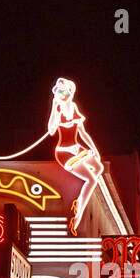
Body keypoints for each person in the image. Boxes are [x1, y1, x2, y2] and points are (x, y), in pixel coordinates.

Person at [46, 77, 106, 234]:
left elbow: (83, 133)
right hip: (64, 152)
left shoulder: (73, 107)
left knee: (98, 167)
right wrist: (54, 106)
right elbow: (51, 130)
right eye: (57, 91)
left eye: (62, 90)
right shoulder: (58, 111)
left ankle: (80, 200)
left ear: (70, 92)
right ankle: (77, 214)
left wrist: (95, 150)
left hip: (76, 148)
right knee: (91, 178)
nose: (59, 93)